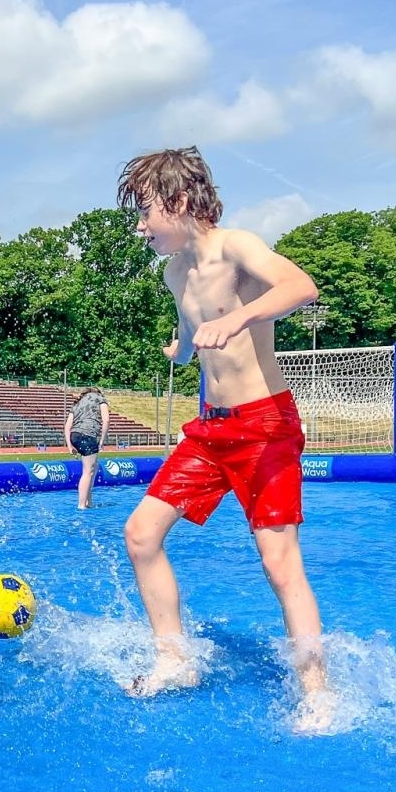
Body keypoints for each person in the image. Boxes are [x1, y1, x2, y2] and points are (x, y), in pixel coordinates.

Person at [115, 147, 329, 730]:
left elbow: (300, 285)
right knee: (141, 534)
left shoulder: (236, 247)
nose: (140, 227)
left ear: (180, 202)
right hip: (212, 430)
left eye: (145, 212)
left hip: (264, 425)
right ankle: (174, 661)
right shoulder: (172, 272)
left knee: (279, 562)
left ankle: (317, 692)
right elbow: (190, 331)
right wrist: (180, 350)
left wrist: (238, 318)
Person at [65, 386, 110, 508]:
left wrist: (70, 446)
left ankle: (89, 502)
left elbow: (67, 427)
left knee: (93, 469)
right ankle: (81, 505)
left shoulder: (77, 403)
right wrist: (102, 440)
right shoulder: (100, 398)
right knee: (88, 472)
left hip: (75, 435)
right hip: (88, 435)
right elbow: (106, 420)